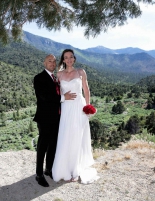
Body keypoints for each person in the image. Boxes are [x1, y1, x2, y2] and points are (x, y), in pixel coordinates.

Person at [52, 49, 99, 184]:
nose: (69, 59)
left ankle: (76, 169)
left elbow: (86, 89)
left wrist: (88, 107)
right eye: (66, 57)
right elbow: (57, 93)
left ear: (74, 58)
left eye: (71, 57)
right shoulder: (59, 74)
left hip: (79, 107)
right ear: (63, 59)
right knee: (66, 135)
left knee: (78, 137)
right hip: (66, 108)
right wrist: (62, 98)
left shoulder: (81, 72)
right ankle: (64, 169)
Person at [33, 54, 77, 187]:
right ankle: (39, 174)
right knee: (42, 146)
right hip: (45, 118)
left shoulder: (56, 78)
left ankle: (49, 169)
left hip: (58, 117)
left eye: (54, 61)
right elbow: (44, 97)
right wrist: (64, 97)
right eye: (49, 61)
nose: (52, 63)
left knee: (53, 145)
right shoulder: (39, 78)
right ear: (44, 63)